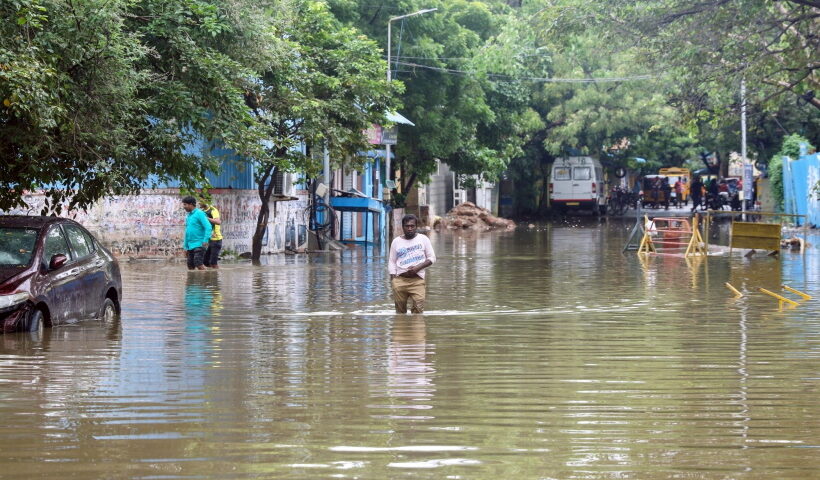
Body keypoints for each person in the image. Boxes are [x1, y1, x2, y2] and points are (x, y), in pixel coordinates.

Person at [389, 214, 436, 314]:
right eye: (407, 226)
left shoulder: (423, 239)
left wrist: (417, 268)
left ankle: (416, 329)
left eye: (412, 226)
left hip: (417, 280)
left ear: (416, 227)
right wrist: (393, 280)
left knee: (418, 309)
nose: (410, 229)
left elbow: (432, 258)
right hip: (400, 280)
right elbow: (392, 261)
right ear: (403, 227)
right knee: (400, 312)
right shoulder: (396, 242)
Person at [181, 196, 212, 270]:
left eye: (185, 204)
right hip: (190, 245)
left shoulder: (200, 213)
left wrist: (205, 240)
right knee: (190, 266)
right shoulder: (189, 216)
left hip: (199, 244)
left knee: (198, 264)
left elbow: (208, 227)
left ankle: (206, 279)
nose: (184, 207)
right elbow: (187, 232)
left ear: (191, 204)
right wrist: (185, 247)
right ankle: (192, 281)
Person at [199, 199, 223, 269]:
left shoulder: (213, 210)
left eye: (200, 201)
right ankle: (209, 277)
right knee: (205, 262)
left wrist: (206, 218)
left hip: (216, 239)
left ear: (206, 200)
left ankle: (215, 277)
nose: (199, 203)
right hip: (208, 240)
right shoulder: (202, 211)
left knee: (213, 263)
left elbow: (218, 222)